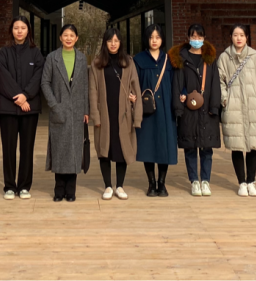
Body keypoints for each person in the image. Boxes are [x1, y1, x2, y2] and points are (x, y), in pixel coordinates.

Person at [89, 27, 143, 200]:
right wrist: (95, 116)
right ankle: (107, 186)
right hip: (104, 112)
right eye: (110, 40)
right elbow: (92, 91)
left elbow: (135, 87)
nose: (113, 44)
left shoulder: (128, 62)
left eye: (116, 41)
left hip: (123, 113)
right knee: (104, 149)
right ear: (105, 43)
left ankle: (119, 186)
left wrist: (136, 112)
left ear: (120, 43)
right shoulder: (97, 63)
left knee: (122, 149)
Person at [217, 24, 256, 197]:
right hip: (233, 107)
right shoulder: (224, 58)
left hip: (253, 107)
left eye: (242, 35)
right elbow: (220, 81)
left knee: (253, 145)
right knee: (237, 145)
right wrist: (225, 99)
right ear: (230, 37)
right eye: (235, 35)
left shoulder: (255, 57)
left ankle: (251, 181)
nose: (238, 38)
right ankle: (241, 182)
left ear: (247, 37)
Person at [0, 15, 45, 200]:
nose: (19, 31)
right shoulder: (3, 52)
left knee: (27, 148)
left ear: (28, 31)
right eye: (16, 27)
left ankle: (24, 186)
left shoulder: (35, 53)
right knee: (8, 149)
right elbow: (3, 78)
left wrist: (26, 95)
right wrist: (19, 97)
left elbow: (39, 76)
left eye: (23, 28)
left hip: (29, 109)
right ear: (11, 30)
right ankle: (9, 186)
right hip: (8, 108)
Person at [170, 23, 222, 196]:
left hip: (207, 110)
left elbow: (215, 85)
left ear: (204, 38)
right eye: (193, 36)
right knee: (190, 147)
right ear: (188, 38)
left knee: (207, 148)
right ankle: (194, 181)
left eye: (200, 37)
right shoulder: (181, 59)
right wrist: (179, 107)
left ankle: (205, 180)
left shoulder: (210, 59)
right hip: (188, 110)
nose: (196, 40)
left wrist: (214, 107)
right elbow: (177, 85)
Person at [41, 23, 90, 202]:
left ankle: (71, 191)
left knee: (75, 150)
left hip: (77, 111)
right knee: (60, 150)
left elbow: (85, 86)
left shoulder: (82, 58)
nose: (68, 38)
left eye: (72, 35)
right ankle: (58, 190)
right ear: (60, 38)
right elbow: (45, 83)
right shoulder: (52, 58)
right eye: (65, 35)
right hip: (59, 110)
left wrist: (86, 110)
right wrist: (54, 104)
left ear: (76, 38)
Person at [133, 23, 177, 197]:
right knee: (148, 145)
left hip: (166, 108)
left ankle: (162, 183)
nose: (154, 40)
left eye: (157, 37)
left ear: (162, 39)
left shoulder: (169, 59)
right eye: (151, 37)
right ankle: (151, 183)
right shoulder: (139, 60)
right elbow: (134, 83)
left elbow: (176, 83)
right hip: (147, 110)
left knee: (164, 145)